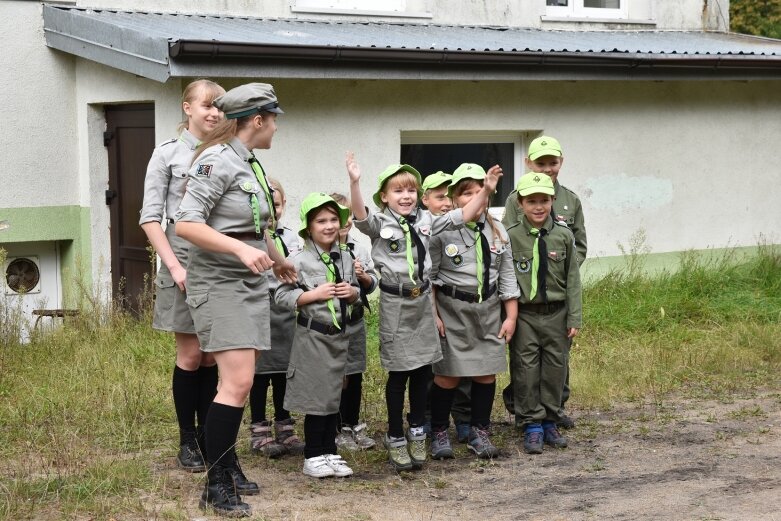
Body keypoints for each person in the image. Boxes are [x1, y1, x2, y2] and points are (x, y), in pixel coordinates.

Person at [175, 82, 296, 517]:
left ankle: (226, 468)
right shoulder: (216, 160)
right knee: (238, 382)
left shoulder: (251, 163)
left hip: (247, 282)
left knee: (238, 383)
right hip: (221, 283)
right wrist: (242, 251)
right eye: (274, 118)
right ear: (257, 119)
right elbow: (187, 225)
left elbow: (255, 226)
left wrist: (276, 259)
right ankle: (216, 485)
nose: (277, 127)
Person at [345, 152, 501, 471]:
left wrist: (486, 190)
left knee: (422, 372)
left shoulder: (428, 220)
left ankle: (418, 431)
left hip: (422, 301)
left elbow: (464, 214)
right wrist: (355, 181)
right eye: (398, 191)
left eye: (411, 190)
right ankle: (395, 435)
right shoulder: (379, 222)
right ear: (385, 196)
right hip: (396, 304)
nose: (406, 196)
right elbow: (359, 214)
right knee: (399, 373)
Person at [139, 79, 225, 473]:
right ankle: (188, 440)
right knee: (191, 355)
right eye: (207, 105)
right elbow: (150, 217)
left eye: (220, 107)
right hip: (183, 261)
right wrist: (174, 267)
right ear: (186, 108)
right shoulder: (168, 155)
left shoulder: (226, 154)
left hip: (219, 263)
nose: (214, 113)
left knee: (212, 356)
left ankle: (210, 435)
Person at [427, 164, 519, 459]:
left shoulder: (498, 229)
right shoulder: (443, 232)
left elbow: (507, 276)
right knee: (447, 377)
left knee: (485, 375)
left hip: (489, 312)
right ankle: (439, 432)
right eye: (467, 193)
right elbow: (430, 278)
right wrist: (434, 315)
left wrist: (511, 316)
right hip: (453, 311)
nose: (475, 198)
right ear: (454, 199)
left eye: (481, 191)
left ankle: (480, 431)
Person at [501, 135, 587, 429]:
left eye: (553, 163)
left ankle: (553, 411)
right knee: (526, 364)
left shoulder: (570, 200)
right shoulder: (516, 198)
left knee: (556, 361)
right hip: (526, 302)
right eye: (541, 163)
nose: (548, 169)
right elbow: (511, 246)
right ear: (528, 164)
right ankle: (527, 415)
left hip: (557, 293)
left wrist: (559, 269)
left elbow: (578, 247)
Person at [275, 193, 361, 478]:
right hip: (313, 338)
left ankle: (330, 451)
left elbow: (355, 293)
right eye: (321, 221)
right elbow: (280, 295)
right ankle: (313, 454)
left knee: (333, 396)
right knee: (316, 398)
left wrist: (353, 293)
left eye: (334, 219)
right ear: (308, 227)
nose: (328, 226)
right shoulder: (297, 260)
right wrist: (313, 294)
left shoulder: (346, 256)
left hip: (339, 338)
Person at [248, 178, 306, 458]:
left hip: (285, 311)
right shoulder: (250, 238)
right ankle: (259, 431)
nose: (272, 212)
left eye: (278, 205)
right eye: (266, 206)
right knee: (259, 375)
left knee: (284, 371)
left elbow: (296, 269)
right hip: (259, 308)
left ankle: (285, 427)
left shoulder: (293, 238)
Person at [330, 192, 378, 451]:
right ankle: (337, 428)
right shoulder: (319, 249)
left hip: (355, 320)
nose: (345, 220)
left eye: (348, 214)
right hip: (332, 322)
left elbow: (371, 284)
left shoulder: (359, 247)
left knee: (355, 372)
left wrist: (364, 278)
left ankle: (352, 424)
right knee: (337, 376)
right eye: (338, 215)